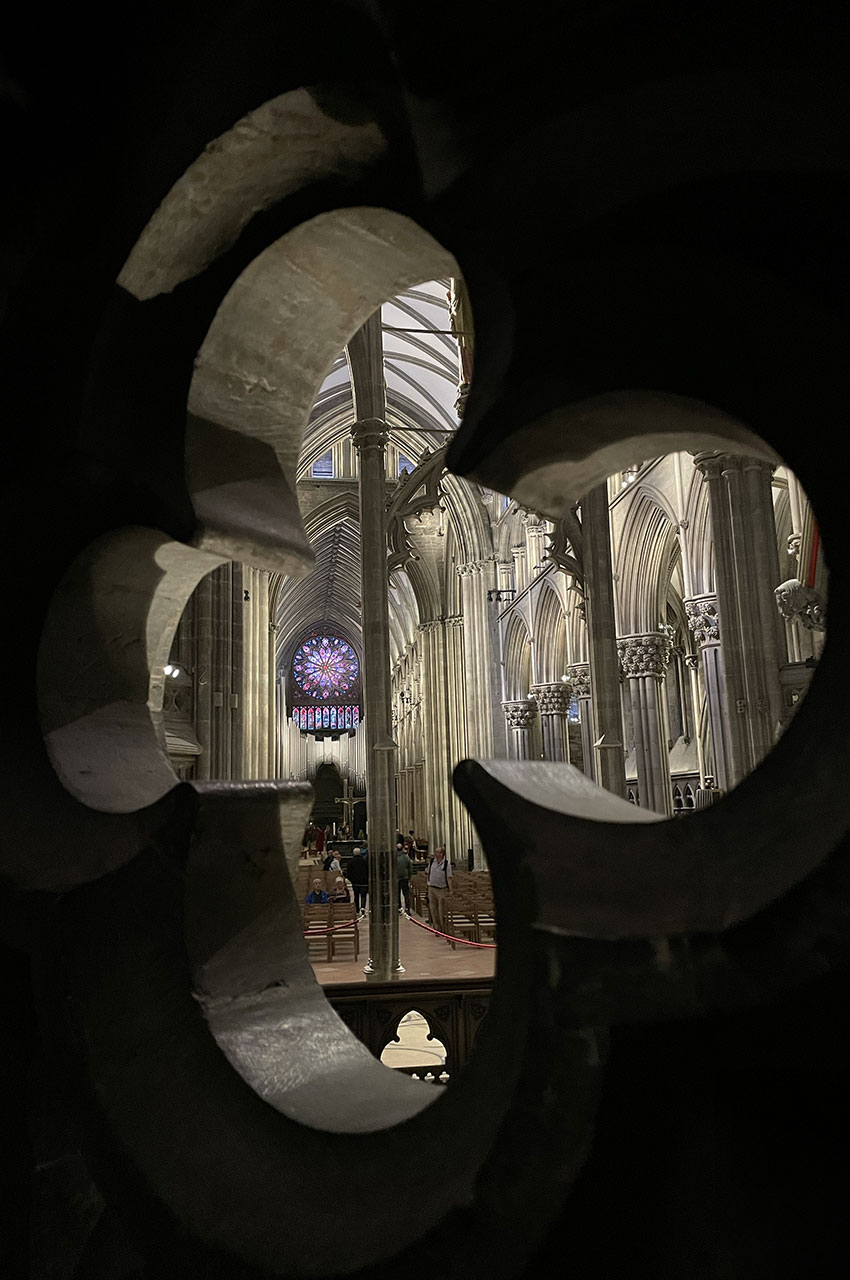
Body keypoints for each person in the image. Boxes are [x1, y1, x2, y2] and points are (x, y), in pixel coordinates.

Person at [426, 846, 452, 939]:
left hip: (442, 889)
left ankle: (443, 928)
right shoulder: (432, 862)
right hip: (432, 888)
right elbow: (428, 873)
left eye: (438, 852)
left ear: (442, 854)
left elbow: (449, 878)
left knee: (441, 910)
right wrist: (428, 883)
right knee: (433, 909)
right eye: (435, 852)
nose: (436, 854)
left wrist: (450, 890)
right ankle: (437, 929)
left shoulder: (446, 864)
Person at [347, 847, 368, 916]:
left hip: (355, 882)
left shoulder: (351, 862)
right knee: (363, 895)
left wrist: (351, 880)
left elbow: (348, 873)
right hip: (364, 882)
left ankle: (357, 910)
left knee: (356, 895)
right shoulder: (364, 861)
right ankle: (363, 907)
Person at [396, 841, 412, 914]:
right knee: (406, 894)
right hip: (405, 877)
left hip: (396, 878)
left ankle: (399, 908)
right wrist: (409, 876)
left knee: (397, 893)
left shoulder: (393, 857)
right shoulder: (406, 857)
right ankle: (407, 908)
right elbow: (410, 867)